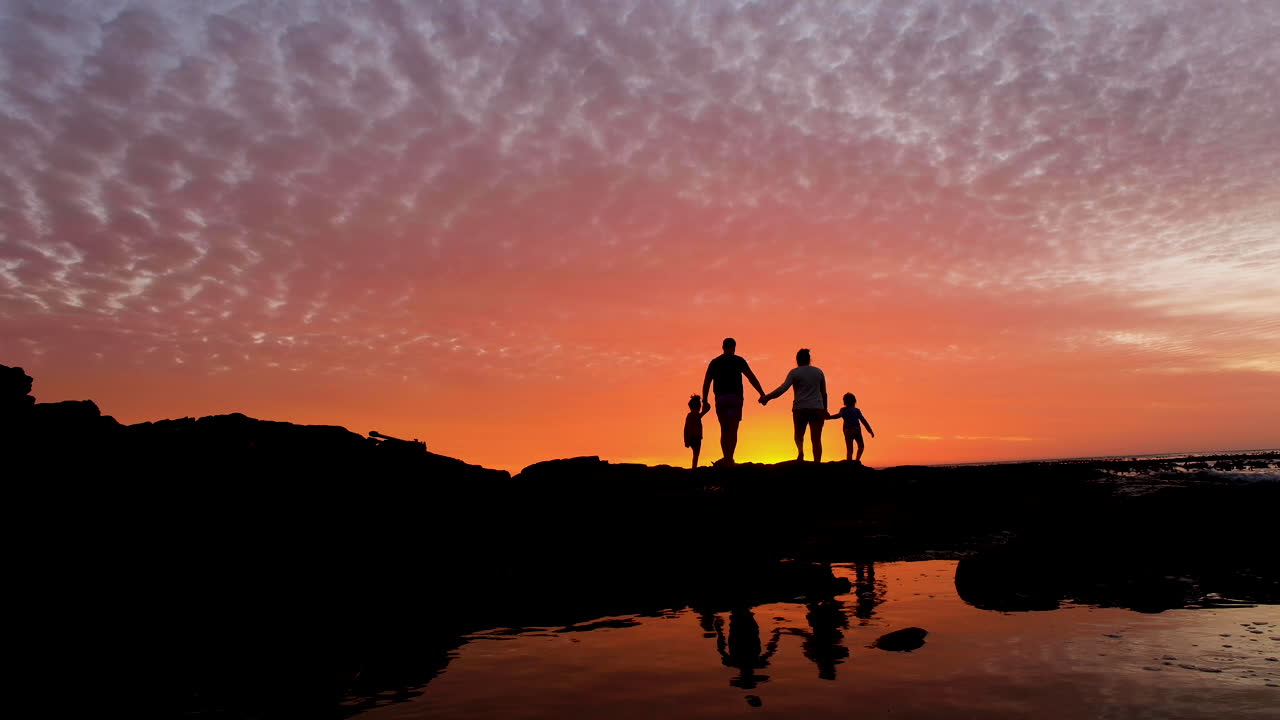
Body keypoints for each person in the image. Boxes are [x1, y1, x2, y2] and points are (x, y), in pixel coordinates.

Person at [700, 338, 766, 465]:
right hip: (736, 398)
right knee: (733, 430)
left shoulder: (715, 362)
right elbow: (751, 377)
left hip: (721, 399)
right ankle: (729, 458)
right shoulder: (739, 361)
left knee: (724, 430)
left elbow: (707, 382)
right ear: (734, 347)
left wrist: (705, 400)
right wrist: (762, 393)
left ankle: (727, 458)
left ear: (723, 347)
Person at [760, 348, 828, 462]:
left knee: (798, 435)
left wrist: (767, 397)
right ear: (809, 359)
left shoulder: (795, 372)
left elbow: (783, 388)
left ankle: (800, 453)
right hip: (817, 408)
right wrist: (825, 409)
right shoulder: (819, 371)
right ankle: (817, 463)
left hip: (800, 408)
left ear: (797, 360)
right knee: (816, 439)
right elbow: (824, 393)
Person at [829, 392, 875, 462]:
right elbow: (863, 421)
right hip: (857, 430)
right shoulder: (857, 410)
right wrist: (870, 430)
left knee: (849, 449)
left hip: (848, 431)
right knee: (861, 446)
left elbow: (838, 415)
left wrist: (829, 417)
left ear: (844, 402)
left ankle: (849, 463)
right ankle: (857, 460)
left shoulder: (843, 410)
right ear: (854, 401)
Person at [683, 394, 712, 468]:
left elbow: (686, 429)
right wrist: (705, 410)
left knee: (695, 454)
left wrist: (686, 440)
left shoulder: (690, 415)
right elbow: (686, 428)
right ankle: (694, 467)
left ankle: (694, 467)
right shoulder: (693, 415)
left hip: (694, 437)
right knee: (696, 454)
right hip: (695, 437)